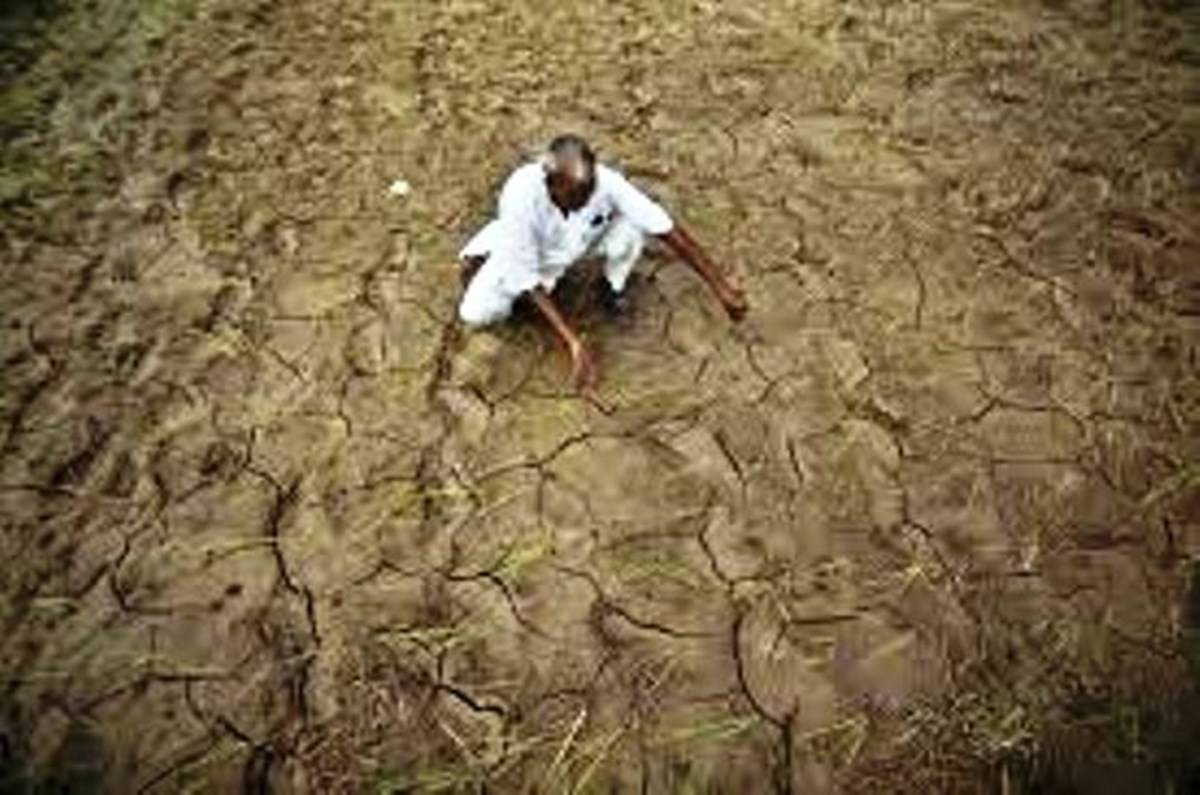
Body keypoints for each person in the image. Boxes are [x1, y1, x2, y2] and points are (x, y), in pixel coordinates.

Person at [457, 134, 748, 388]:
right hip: (530, 252)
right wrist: (572, 341)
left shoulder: (604, 182)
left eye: (589, 190)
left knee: (631, 231)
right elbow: (526, 277)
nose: (586, 199)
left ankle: (611, 288)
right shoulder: (521, 196)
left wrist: (719, 286)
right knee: (476, 313)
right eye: (575, 195)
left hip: (580, 243)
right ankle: (488, 252)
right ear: (551, 184)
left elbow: (665, 228)